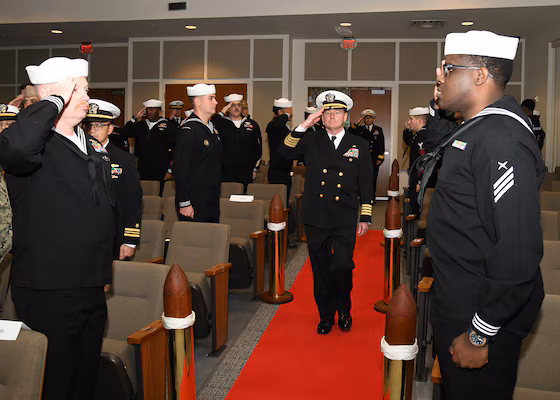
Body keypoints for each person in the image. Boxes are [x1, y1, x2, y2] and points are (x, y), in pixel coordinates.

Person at [426, 31, 545, 400]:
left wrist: (480, 334)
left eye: (447, 68)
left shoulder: (501, 138)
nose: (438, 75)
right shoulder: (479, 127)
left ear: (480, 75)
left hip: (480, 315)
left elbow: (518, 252)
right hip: (462, 300)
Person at [0, 57, 114, 400]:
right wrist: (51, 99)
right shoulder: (34, 145)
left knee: (83, 376)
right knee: (55, 380)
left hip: (90, 283)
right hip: (49, 286)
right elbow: (16, 147)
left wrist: (102, 270)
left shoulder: (87, 144)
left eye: (85, 87)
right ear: (50, 96)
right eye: (75, 87)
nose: (85, 94)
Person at [280, 90, 373, 334]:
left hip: (344, 216)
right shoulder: (311, 140)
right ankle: (325, 316)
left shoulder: (359, 144)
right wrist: (304, 125)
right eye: (327, 112)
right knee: (320, 269)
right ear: (321, 117)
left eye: (337, 112)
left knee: (341, 266)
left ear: (346, 116)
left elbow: (366, 181)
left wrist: (365, 215)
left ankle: (344, 309)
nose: (332, 116)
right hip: (316, 216)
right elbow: (284, 153)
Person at [83, 99, 142, 261]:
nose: (93, 130)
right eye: (89, 126)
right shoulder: (76, 156)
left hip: (113, 234)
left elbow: (132, 201)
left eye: (99, 125)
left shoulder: (124, 159)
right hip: (82, 234)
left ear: (110, 129)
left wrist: (130, 240)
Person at [174, 84, 222, 223]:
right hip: (194, 201)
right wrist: (184, 202)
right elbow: (181, 168)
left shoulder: (212, 129)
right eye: (211, 98)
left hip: (211, 198)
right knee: (195, 242)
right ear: (198, 102)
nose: (216, 102)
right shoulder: (189, 129)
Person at [121, 99, 176, 185]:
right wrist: (134, 119)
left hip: (160, 168)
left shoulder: (167, 126)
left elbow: (175, 148)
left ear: (159, 110)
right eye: (147, 109)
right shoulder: (140, 125)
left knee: (158, 195)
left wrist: (170, 170)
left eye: (152, 109)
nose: (148, 112)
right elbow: (125, 133)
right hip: (143, 168)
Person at [213, 93, 262, 188]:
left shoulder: (251, 124)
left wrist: (254, 169)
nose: (236, 108)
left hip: (246, 171)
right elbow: (209, 124)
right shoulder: (221, 124)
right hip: (226, 171)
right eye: (232, 105)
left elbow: (258, 148)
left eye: (239, 105)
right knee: (227, 200)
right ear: (228, 107)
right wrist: (222, 112)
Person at [349, 109, 384, 201]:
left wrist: (380, 158)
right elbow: (350, 131)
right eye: (366, 118)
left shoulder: (378, 130)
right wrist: (357, 122)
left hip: (373, 158)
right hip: (362, 159)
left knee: (372, 179)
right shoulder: (359, 129)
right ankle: (362, 198)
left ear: (373, 119)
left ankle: (371, 198)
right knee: (362, 179)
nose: (368, 120)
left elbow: (381, 144)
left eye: (370, 118)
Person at [267, 98, 294, 198]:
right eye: (289, 110)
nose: (292, 113)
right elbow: (278, 124)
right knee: (278, 203)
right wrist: (287, 114)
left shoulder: (285, 127)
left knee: (285, 202)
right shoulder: (273, 126)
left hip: (286, 170)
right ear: (280, 112)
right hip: (277, 171)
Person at [0, 105, 16, 264]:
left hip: (19, 238)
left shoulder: (27, 156)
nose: (3, 129)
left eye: (9, 125)